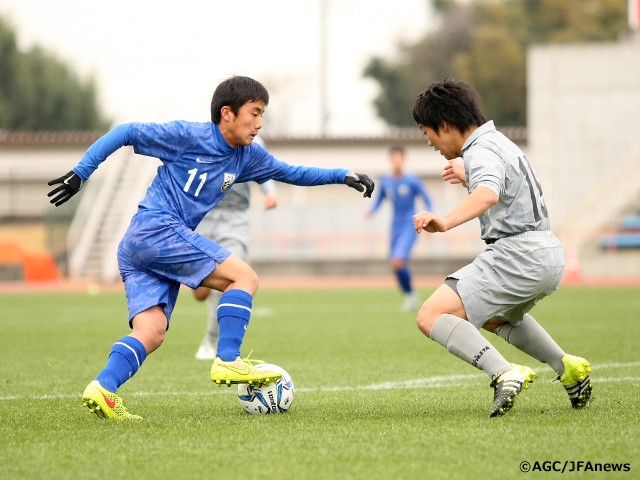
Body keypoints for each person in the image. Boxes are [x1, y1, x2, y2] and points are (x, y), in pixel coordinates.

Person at [46, 75, 374, 420]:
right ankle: (229, 359)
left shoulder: (246, 157)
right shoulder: (188, 136)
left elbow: (291, 172)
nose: (260, 124)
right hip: (158, 230)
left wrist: (343, 174)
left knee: (151, 331)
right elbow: (126, 131)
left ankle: (103, 388)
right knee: (244, 278)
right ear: (227, 113)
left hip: (138, 244)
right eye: (255, 113)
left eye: (263, 115)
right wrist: (81, 173)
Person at [411, 78, 591, 417]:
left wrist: (444, 221)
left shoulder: (480, 151)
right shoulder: (498, 142)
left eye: (427, 132)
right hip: (547, 253)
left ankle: (503, 372)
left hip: (516, 254)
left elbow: (489, 194)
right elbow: (504, 186)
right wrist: (469, 175)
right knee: (494, 317)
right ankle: (567, 367)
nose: (430, 142)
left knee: (431, 315)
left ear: (445, 125)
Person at [192, 138, 278, 360]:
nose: (256, 121)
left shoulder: (254, 142)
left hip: (235, 220)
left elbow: (264, 170)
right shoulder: (206, 138)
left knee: (229, 281)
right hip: (204, 217)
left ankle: (211, 343)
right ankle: (198, 285)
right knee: (201, 292)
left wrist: (271, 192)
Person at [365, 146, 433, 311]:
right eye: (394, 159)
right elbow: (379, 199)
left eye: (399, 159)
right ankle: (410, 295)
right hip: (394, 226)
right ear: (391, 161)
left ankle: (411, 296)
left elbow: (427, 199)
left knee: (398, 260)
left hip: (409, 226)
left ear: (403, 160)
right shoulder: (386, 181)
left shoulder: (412, 181)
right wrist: (371, 210)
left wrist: (430, 217)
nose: (396, 162)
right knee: (396, 265)